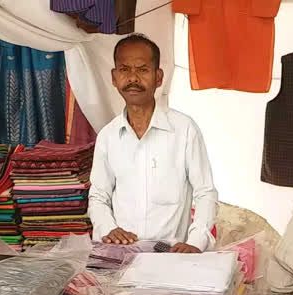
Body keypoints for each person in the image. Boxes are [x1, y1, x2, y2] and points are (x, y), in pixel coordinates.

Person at [88, 34, 218, 254]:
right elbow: (99, 196)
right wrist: (109, 229)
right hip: (120, 253)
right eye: (124, 69)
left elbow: (205, 192)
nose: (132, 78)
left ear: (158, 77)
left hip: (170, 255)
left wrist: (195, 242)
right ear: (114, 77)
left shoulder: (184, 129)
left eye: (142, 70)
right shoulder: (108, 136)